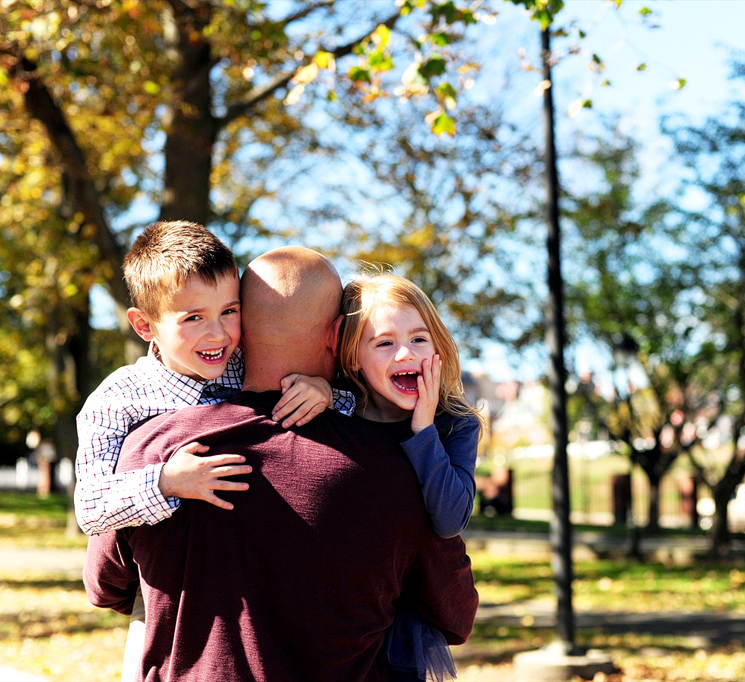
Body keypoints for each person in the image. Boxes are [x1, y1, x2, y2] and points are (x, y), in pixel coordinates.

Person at [83, 246, 478, 682]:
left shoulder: (150, 448)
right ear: (336, 338)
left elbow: (105, 586)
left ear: (242, 328)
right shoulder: (399, 465)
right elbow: (455, 613)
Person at [73, 221, 352, 680]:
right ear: (145, 325)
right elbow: (90, 507)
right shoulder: (118, 400)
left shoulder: (246, 364)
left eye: (229, 311)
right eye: (193, 318)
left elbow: (343, 412)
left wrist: (324, 390)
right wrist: (165, 480)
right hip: (168, 600)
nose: (218, 334)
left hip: (258, 592)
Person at [338, 272, 482, 682]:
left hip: (405, 622)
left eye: (419, 339)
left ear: (437, 346)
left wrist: (424, 431)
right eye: (384, 343)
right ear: (353, 358)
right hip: (345, 608)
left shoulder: (456, 425)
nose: (406, 354)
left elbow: (450, 517)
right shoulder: (340, 417)